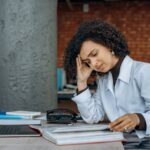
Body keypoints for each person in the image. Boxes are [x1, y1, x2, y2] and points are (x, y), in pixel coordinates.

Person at [64, 20, 150, 138]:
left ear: (108, 45)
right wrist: (82, 81)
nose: (94, 64)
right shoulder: (104, 81)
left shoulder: (144, 72)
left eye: (94, 54)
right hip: (120, 142)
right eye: (87, 62)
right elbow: (92, 116)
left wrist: (139, 119)